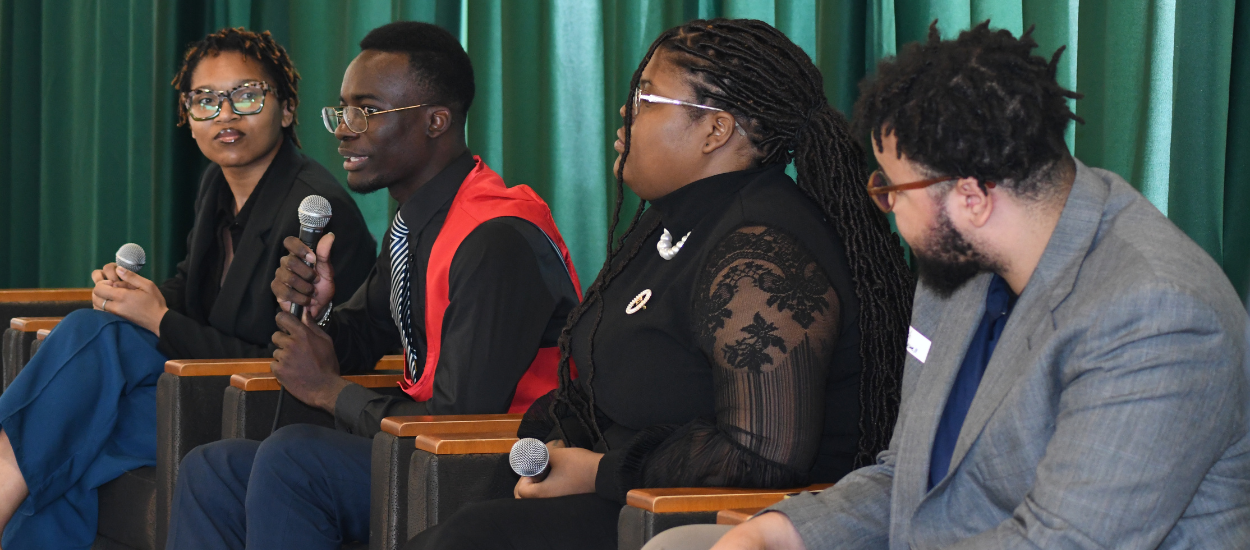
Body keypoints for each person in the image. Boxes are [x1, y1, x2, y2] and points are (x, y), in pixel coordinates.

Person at [655, 21, 1250, 550]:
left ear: (971, 196)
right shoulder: (959, 266)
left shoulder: (1158, 312)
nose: (885, 209)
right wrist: (783, 530)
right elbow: (906, 476)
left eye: (891, 188)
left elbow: (1064, 540)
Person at [404, 18, 915, 550]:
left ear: (715, 131)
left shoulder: (760, 249)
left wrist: (599, 472)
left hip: (693, 520)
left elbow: (761, 453)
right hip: (625, 496)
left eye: (647, 96)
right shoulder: (671, 222)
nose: (627, 108)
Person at [164, 21, 582, 549]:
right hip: (420, 448)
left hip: (500, 468)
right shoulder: (413, 223)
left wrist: (329, 390)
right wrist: (321, 311)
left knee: (293, 458)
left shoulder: (496, 239)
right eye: (342, 110)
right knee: (212, 468)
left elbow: (460, 421)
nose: (343, 128)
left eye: (366, 111)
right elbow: (372, 333)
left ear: (436, 121)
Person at [0, 28, 376, 550]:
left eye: (246, 96)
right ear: (189, 115)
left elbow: (280, 361)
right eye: (206, 100)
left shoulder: (313, 210)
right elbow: (199, 297)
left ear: (286, 110)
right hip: (196, 387)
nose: (226, 114)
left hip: (264, 412)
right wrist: (136, 294)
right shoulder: (217, 185)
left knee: (79, 395)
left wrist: (158, 318)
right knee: (86, 383)